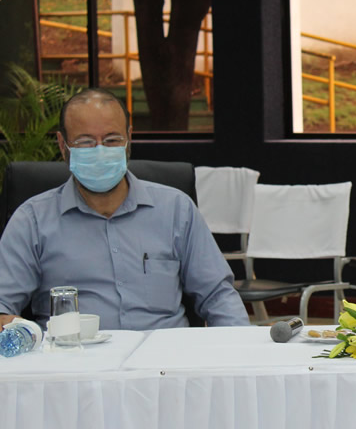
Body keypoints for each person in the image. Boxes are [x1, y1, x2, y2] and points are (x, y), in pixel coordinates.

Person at [0, 89, 249, 330]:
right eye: (85, 142)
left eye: (112, 140)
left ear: (129, 138)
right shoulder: (32, 220)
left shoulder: (176, 210)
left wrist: (238, 353)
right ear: (63, 144)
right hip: (72, 362)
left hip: (164, 363)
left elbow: (218, 296)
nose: (100, 151)